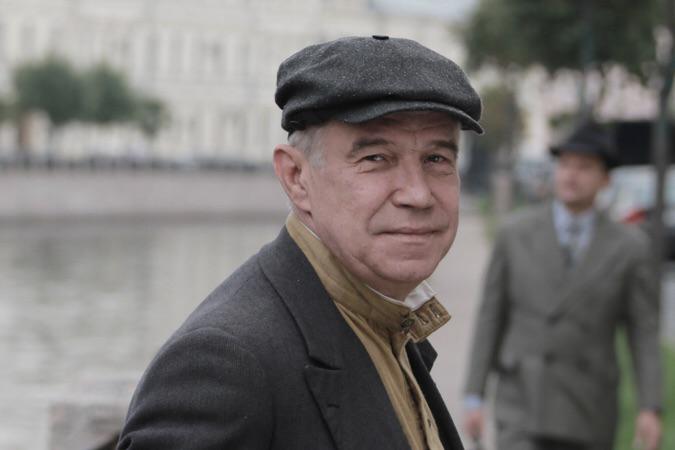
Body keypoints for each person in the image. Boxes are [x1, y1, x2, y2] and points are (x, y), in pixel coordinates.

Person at [117, 35, 483, 450]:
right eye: (376, 158)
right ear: (296, 178)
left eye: (436, 159)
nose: (417, 194)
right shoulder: (224, 363)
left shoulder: (386, 320)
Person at [463, 123, 663, 450]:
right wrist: (474, 394)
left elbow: (644, 333)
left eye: (584, 167)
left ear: (605, 179)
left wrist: (649, 407)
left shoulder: (630, 248)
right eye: (566, 164)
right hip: (521, 402)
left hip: (589, 408)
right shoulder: (515, 234)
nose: (572, 175)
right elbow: (490, 317)